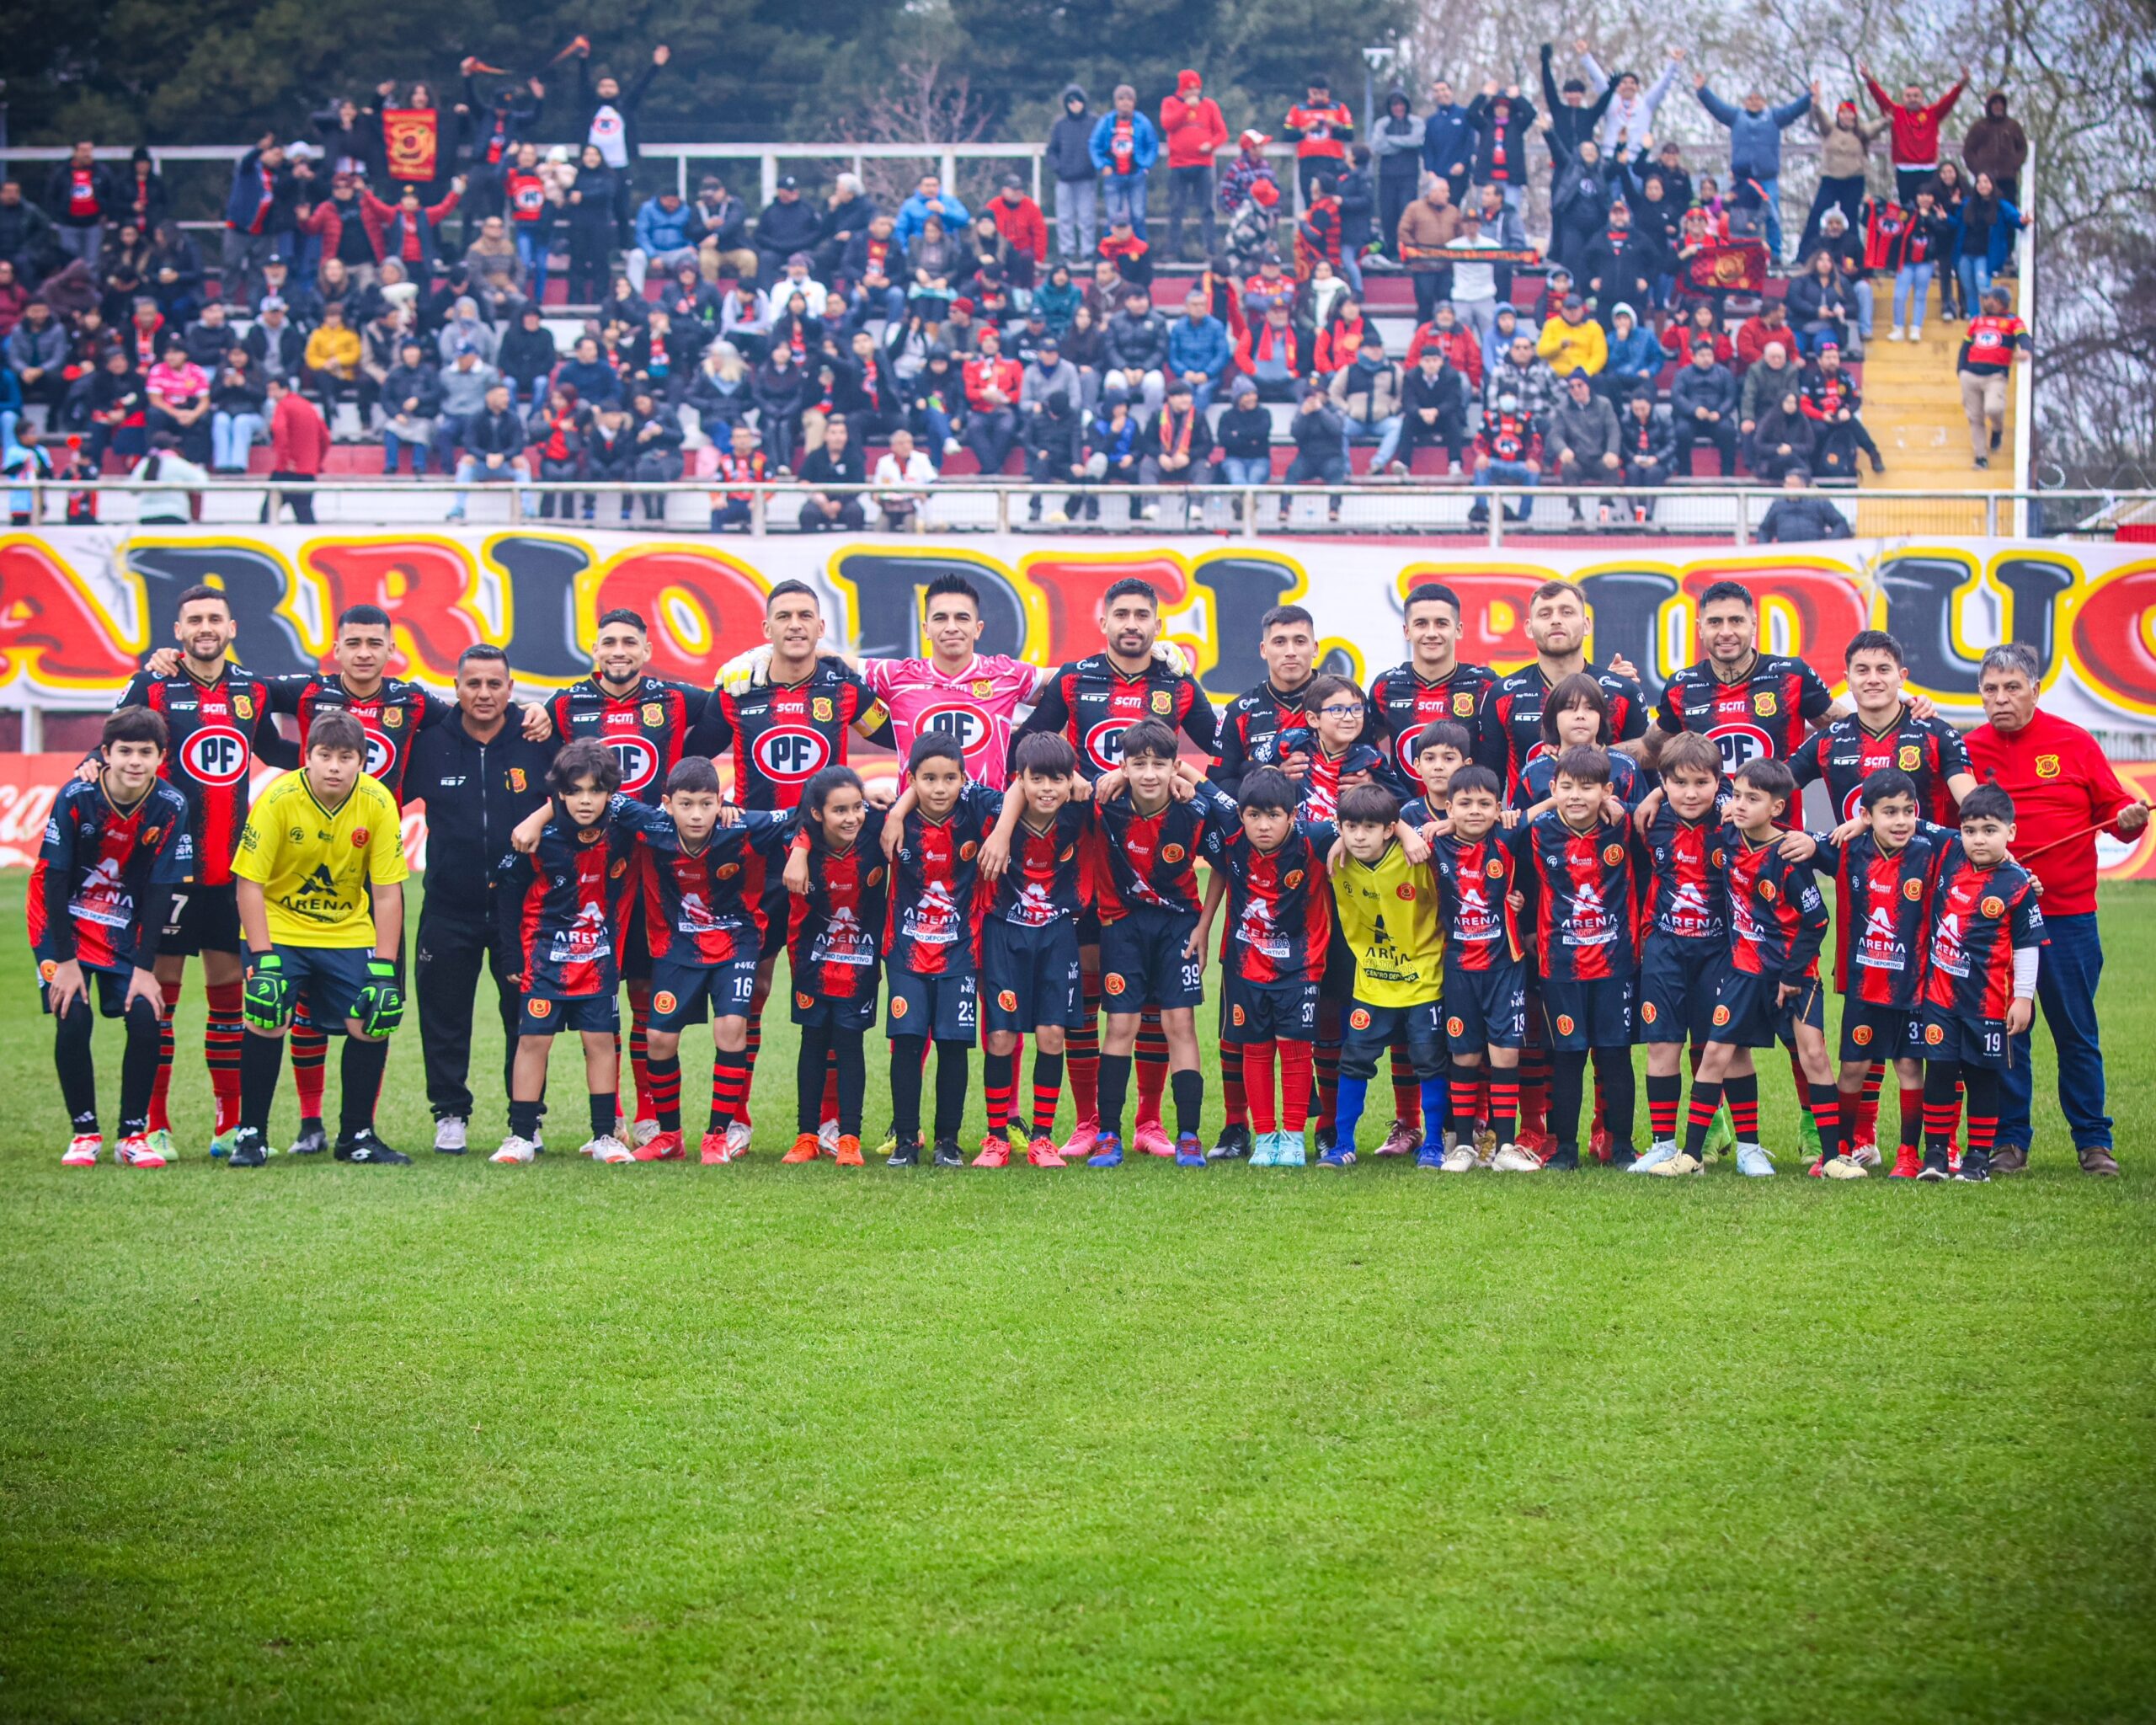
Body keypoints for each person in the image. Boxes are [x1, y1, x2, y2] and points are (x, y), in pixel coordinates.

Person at [1963, 643, 2144, 1174]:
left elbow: (2114, 812)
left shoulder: (2074, 741)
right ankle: (2010, 1142)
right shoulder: (1968, 750)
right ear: (1980, 694)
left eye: (2012, 688)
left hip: (2068, 918)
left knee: (2076, 1033)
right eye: (1991, 689)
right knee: (2008, 1031)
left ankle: (2093, 1142)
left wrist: (2129, 819)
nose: (2001, 699)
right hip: (1996, 921)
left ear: (2035, 690)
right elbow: (1952, 830)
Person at [226, 710, 408, 1167]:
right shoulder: (279, 797)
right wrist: (263, 958)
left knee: (374, 1017)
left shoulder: (378, 802)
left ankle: (357, 1137)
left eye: (346, 757)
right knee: (266, 1012)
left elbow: (387, 893)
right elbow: (248, 884)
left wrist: (385, 970)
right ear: (307, 758)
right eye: (324, 755)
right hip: (279, 924)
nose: (334, 766)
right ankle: (252, 1134)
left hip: (347, 929)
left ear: (361, 762)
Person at [1649, 757, 1839, 1178]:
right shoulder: (1729, 837)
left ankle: (1832, 1157)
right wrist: (1658, 791)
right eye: (1736, 796)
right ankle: (1692, 1155)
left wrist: (1792, 975)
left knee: (1815, 1055)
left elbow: (1818, 921)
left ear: (1776, 808)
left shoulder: (1790, 853)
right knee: (1715, 1053)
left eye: (1751, 799)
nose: (1738, 804)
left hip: (1795, 977)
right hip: (1742, 972)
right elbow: (1693, 786)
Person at [399, 645, 552, 1154]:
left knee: (526, 1018)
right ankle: (450, 1115)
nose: (483, 694)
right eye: (473, 684)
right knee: (443, 1015)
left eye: (494, 684)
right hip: (448, 905)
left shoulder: (537, 740)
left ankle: (525, 1120)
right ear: (457, 689)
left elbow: (577, 796)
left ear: (511, 689)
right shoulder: (429, 745)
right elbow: (381, 803)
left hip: (523, 909)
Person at [35, 705, 190, 1169]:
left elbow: (162, 889)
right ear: (106, 753)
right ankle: (84, 1133)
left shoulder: (171, 805)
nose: (135, 761)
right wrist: (64, 962)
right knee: (73, 1014)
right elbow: (55, 880)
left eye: (146, 752)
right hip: (59, 920)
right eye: (125, 751)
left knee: (146, 1017)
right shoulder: (76, 796)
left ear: (161, 756)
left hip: (125, 925)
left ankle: (132, 1134)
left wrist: (147, 969)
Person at [491, 741, 649, 1165]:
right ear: (560, 793)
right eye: (575, 791)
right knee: (532, 1042)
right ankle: (520, 1135)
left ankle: (604, 1135)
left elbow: (667, 821)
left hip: (598, 959)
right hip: (545, 957)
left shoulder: (625, 831)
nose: (585, 800)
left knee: (600, 1041)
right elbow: (508, 893)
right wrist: (511, 957)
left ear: (609, 794)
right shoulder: (538, 836)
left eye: (595, 791)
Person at [1904, 784, 2043, 1182]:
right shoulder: (1949, 852)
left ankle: (1978, 1158)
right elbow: (1908, 821)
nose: (1978, 839)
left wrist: (2023, 998)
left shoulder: (2017, 883)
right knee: (1941, 1073)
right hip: (1940, 997)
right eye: (1970, 830)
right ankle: (1934, 1156)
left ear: (2010, 834)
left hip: (1989, 1003)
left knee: (1983, 1076)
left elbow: (2028, 946)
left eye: (1989, 830)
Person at [1317, 782, 1449, 1169]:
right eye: (1351, 827)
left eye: (1369, 828)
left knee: (1429, 1061)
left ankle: (1434, 1144)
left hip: (1423, 980)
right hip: (1372, 983)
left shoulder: (1417, 855)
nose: (1358, 836)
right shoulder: (1337, 856)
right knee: (1353, 1061)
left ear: (1388, 829)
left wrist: (1409, 831)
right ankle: (1343, 1144)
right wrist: (1339, 838)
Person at [1690, 75, 1810, 260]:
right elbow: (1717, 108)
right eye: (1750, 99)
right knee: (1735, 216)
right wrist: (1702, 91)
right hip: (1742, 180)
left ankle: (1775, 254)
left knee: (1772, 215)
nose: (1754, 102)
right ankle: (1733, 251)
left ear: (1764, 101)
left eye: (1758, 99)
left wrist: (1809, 96)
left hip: (1767, 177)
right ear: (1744, 102)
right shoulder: (1736, 116)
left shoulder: (1774, 117)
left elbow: (1793, 110)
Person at [1861, 63, 1969, 206]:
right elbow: (1880, 98)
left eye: (1916, 96)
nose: (1912, 99)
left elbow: (1948, 101)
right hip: (1904, 170)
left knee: (1930, 207)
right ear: (1903, 97)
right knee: (1907, 208)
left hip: (1929, 169)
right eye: (1909, 96)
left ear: (1922, 98)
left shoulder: (1932, 114)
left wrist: (1961, 84)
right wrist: (1869, 80)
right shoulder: (1896, 113)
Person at [1802, 89, 1890, 259]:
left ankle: (1855, 256)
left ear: (1855, 116)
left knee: (1851, 217)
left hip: (1854, 181)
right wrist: (1816, 105)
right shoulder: (1829, 130)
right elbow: (1821, 118)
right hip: (1831, 180)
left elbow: (1877, 126)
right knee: (1817, 214)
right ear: (1838, 115)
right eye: (1843, 113)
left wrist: (1888, 120)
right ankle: (1804, 254)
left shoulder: (1861, 132)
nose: (1846, 117)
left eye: (1850, 114)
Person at [1956, 285, 2029, 468]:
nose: (1985, 300)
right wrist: (1961, 370)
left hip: (1995, 376)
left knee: (1994, 409)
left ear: (1997, 301)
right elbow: (1965, 346)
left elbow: (2024, 338)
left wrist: (2027, 350)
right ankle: (1980, 457)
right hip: (1970, 374)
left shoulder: (2013, 321)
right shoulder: (1977, 321)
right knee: (1975, 417)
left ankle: (1997, 429)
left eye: (1989, 298)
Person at [260, 376, 329, 525]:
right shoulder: (309, 406)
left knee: (267, 515)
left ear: (285, 389)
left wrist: (285, 460)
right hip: (308, 471)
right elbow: (325, 438)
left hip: (287, 470)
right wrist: (316, 461)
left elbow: (279, 430)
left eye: (273, 390)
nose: (270, 395)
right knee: (305, 516)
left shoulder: (283, 406)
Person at [1045, 86, 1100, 260]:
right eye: (1070, 101)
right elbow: (1051, 151)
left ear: (1084, 102)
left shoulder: (1094, 122)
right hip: (1064, 180)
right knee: (1065, 218)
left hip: (1087, 179)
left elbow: (1101, 146)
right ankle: (1067, 250)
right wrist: (1058, 168)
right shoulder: (1060, 125)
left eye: (1077, 100)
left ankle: (1087, 251)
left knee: (1087, 218)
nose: (1074, 105)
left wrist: (1094, 166)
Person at [1962, 90, 2028, 204]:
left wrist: (2014, 165)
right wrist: (1978, 169)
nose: (1998, 106)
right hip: (1985, 180)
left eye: (2001, 104)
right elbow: (1968, 151)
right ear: (1989, 106)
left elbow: (2023, 149)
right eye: (1995, 103)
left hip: (2007, 178)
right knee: (1984, 209)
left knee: (2008, 209)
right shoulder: (1979, 126)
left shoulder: (2013, 126)